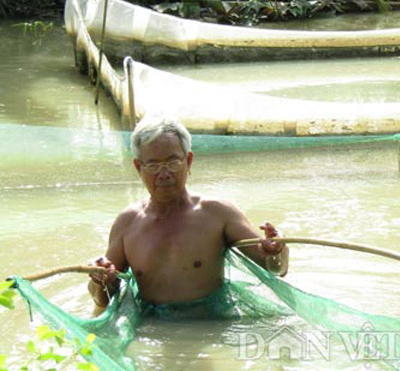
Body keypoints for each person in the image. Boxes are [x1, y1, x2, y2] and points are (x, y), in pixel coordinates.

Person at [88, 116, 289, 309]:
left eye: (173, 162)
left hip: (212, 326)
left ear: (189, 161)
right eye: (153, 165)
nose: (164, 174)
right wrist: (100, 280)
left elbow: (276, 270)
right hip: (153, 330)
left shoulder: (218, 214)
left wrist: (277, 251)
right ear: (139, 168)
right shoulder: (127, 223)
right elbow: (102, 300)